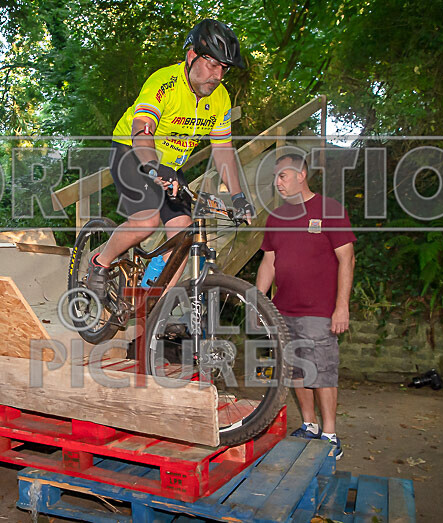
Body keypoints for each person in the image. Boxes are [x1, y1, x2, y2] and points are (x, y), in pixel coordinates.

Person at [87, 19, 254, 297]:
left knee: (183, 234)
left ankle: (153, 307)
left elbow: (223, 149)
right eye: (212, 64)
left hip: (170, 165)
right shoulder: (164, 83)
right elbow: (142, 129)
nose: (218, 75)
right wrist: (153, 168)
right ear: (191, 57)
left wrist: (238, 196)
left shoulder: (221, 98)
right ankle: (100, 263)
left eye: (223, 68)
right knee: (147, 220)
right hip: (133, 152)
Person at [256, 153, 356, 460]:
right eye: (275, 178)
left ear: (301, 175)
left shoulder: (329, 210)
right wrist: (258, 302)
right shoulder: (276, 217)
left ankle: (329, 434)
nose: (277, 183)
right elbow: (268, 262)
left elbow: (347, 258)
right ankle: (309, 425)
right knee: (297, 370)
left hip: (319, 310)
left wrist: (342, 307)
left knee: (322, 372)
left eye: (282, 177)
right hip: (284, 309)